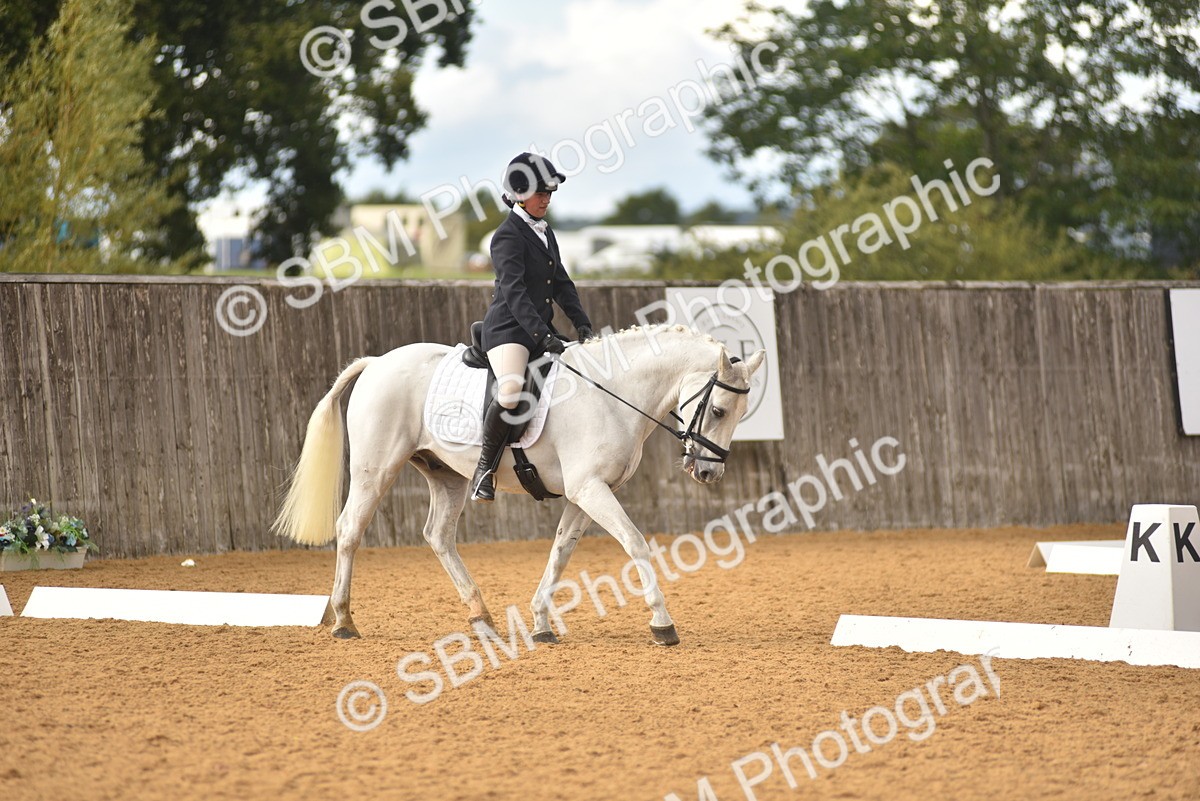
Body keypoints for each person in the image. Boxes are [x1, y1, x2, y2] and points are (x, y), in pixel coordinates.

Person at [471, 152, 594, 502]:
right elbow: (514, 293)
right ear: (519, 194)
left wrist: (582, 324)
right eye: (541, 193)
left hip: (540, 333)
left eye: (550, 193)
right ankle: (485, 469)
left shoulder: (545, 232)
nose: (547, 199)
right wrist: (545, 336)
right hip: (509, 332)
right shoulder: (506, 236)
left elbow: (562, 284)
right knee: (510, 391)